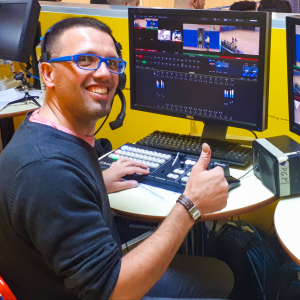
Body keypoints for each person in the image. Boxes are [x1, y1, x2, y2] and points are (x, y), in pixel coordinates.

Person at [0, 17, 234, 299]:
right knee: (220, 280)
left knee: (218, 273)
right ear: (48, 74)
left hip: (86, 276)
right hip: (109, 288)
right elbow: (111, 290)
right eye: (85, 60)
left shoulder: (46, 134)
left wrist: (94, 181)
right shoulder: (46, 170)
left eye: (112, 64)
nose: (103, 74)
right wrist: (189, 207)